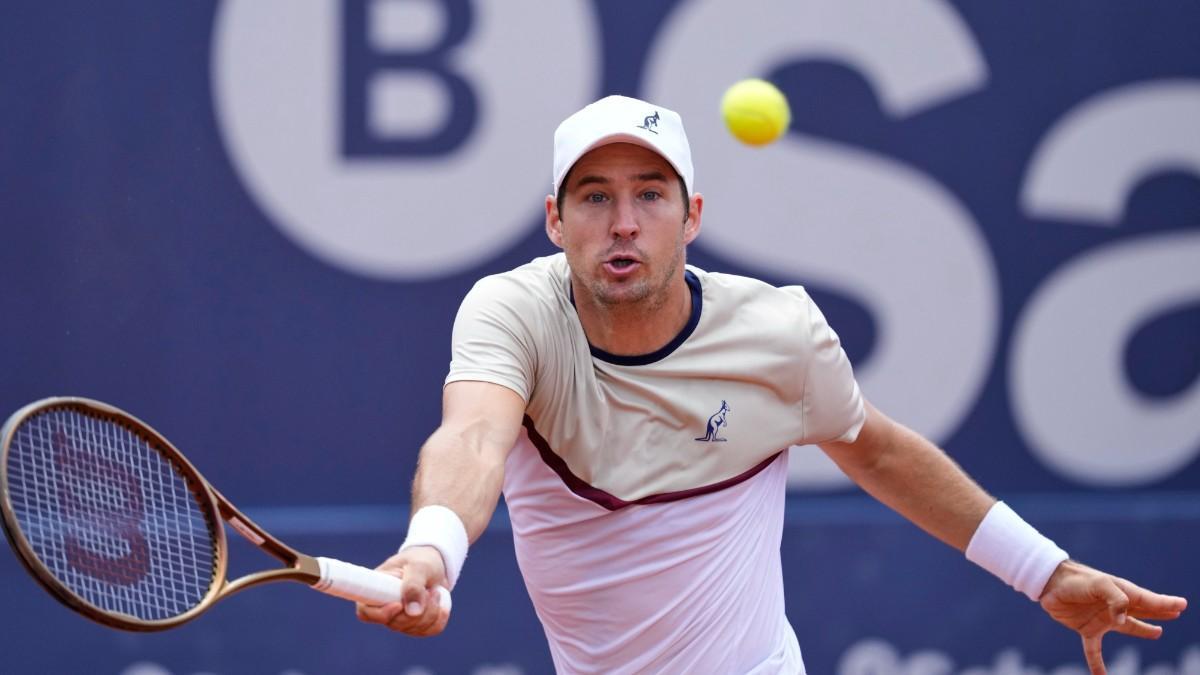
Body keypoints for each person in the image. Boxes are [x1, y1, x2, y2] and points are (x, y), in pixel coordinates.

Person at [356, 95, 1187, 674]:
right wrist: (433, 548)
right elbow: (471, 437)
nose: (623, 222)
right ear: (553, 220)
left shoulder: (778, 333)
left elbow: (879, 452)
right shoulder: (513, 312)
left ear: (693, 218)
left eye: (650, 195)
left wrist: (1045, 571)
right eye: (594, 196)